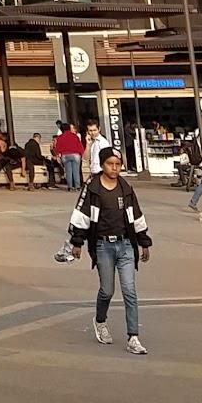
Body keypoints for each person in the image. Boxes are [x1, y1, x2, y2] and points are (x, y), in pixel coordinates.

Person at [66, 144, 152, 354]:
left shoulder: (126, 189)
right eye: (110, 164)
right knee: (107, 291)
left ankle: (133, 337)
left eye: (118, 164)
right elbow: (82, 216)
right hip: (103, 245)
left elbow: (137, 216)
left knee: (130, 292)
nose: (114, 168)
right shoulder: (93, 189)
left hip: (125, 246)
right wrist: (77, 242)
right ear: (102, 165)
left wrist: (143, 241)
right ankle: (100, 321)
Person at [52, 121, 86, 192]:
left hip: (65, 155)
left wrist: (58, 155)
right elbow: (80, 146)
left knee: (68, 171)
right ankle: (77, 186)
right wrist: (82, 154)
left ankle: (70, 187)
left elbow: (57, 147)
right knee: (76, 171)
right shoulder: (75, 136)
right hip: (75, 155)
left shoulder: (60, 137)